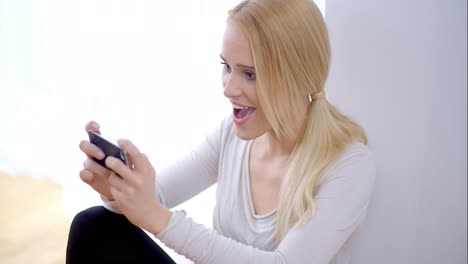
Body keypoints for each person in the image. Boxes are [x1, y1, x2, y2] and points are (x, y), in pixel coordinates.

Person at [66, 0, 376, 263]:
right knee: (95, 225)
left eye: (250, 74)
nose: (228, 88)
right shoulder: (232, 133)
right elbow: (155, 197)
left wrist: (160, 219)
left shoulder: (348, 165)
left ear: (299, 76)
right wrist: (116, 190)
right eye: (227, 66)